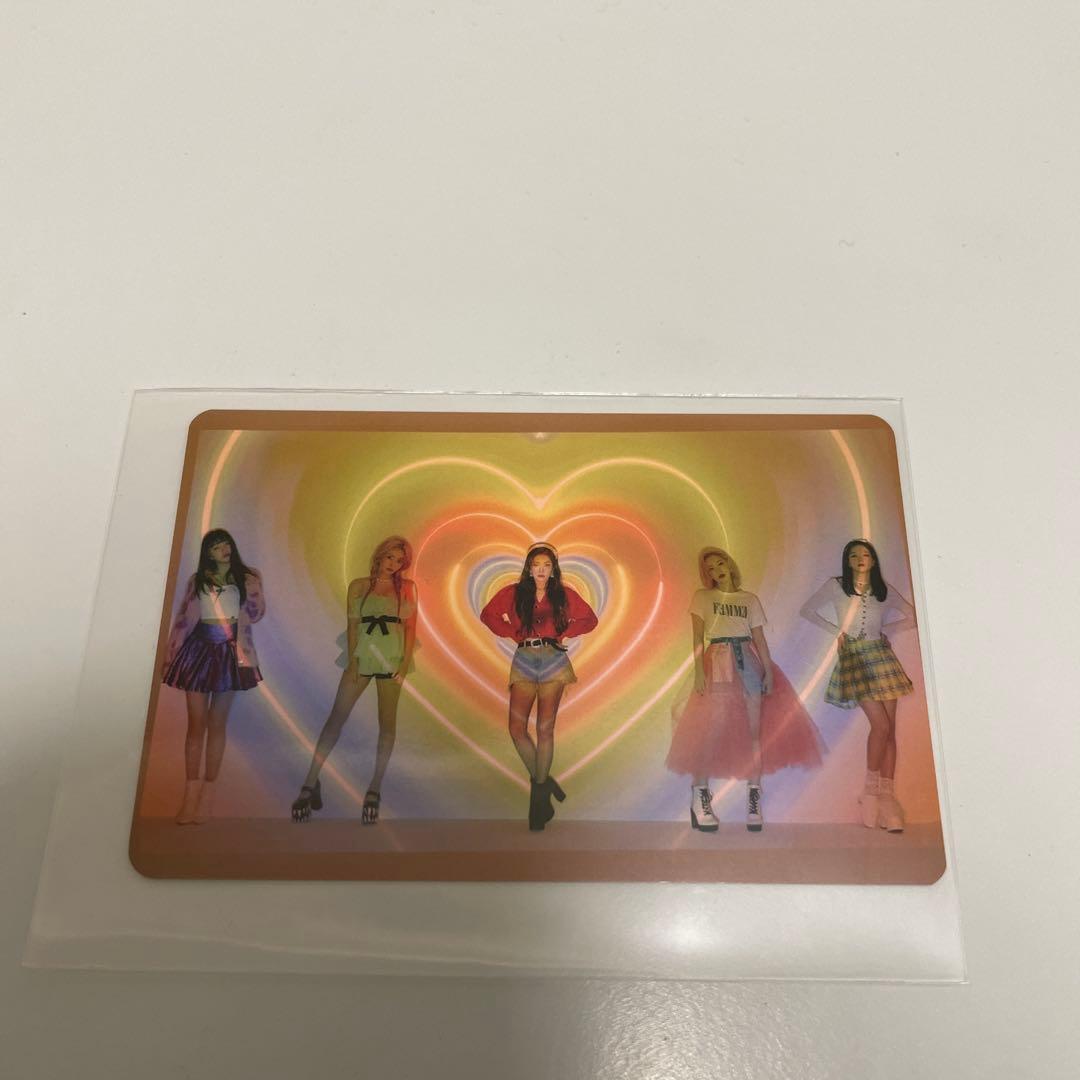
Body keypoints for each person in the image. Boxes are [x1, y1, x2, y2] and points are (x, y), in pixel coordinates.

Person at [666, 547, 822, 833]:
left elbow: (759, 639)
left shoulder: (749, 599)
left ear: (729, 564)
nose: (716, 570)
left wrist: (768, 671)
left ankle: (754, 801)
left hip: (748, 663)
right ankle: (699, 797)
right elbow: (697, 638)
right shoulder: (703, 597)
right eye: (710, 568)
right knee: (710, 732)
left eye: (719, 563)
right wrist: (699, 671)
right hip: (718, 661)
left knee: (754, 732)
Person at [291, 536, 418, 826]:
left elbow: (411, 628)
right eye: (390, 557)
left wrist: (402, 665)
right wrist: (353, 662)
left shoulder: (407, 588)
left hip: (392, 655)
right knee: (336, 718)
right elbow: (352, 624)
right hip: (363, 653)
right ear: (380, 554)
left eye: (399, 560)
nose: (394, 564)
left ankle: (374, 788)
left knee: (387, 723)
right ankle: (310, 783)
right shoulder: (359, 585)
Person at [800, 538, 916, 832]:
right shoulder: (836, 585)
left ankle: (887, 799)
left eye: (865, 554)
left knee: (890, 730)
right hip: (855, 657)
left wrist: (885, 630)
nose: (860, 558)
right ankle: (869, 793)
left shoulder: (883, 590)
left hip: (882, 657)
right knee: (881, 726)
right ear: (847, 561)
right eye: (853, 555)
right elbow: (808, 610)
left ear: (873, 560)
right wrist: (838, 632)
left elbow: (912, 616)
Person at [480, 542, 598, 830]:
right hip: (524, 657)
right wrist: (513, 632)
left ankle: (538, 800)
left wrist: (563, 632)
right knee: (516, 728)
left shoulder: (563, 594)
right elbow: (488, 615)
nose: (542, 570)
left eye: (547, 565)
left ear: (553, 569)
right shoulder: (514, 592)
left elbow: (589, 619)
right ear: (529, 568)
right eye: (536, 565)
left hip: (553, 659)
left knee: (545, 729)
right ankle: (544, 784)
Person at [162, 528, 266, 824]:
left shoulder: (248, 578)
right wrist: (169, 656)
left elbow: (257, 614)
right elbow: (183, 621)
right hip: (197, 651)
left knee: (217, 723)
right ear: (208, 553)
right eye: (218, 546)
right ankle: (189, 797)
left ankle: (207, 797)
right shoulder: (197, 581)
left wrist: (253, 585)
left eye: (226, 544)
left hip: (231, 654)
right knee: (196, 724)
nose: (224, 549)